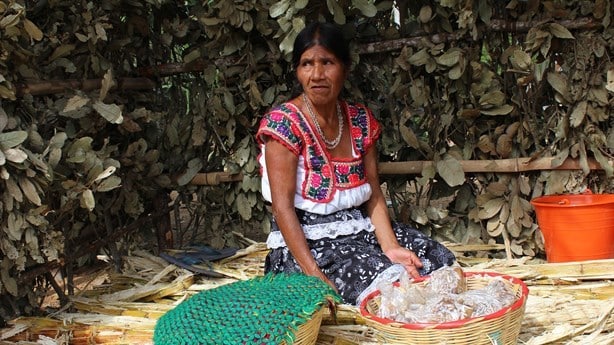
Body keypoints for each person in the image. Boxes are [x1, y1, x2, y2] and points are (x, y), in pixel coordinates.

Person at [255, 21, 456, 305]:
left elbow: (373, 194)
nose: (317, 74)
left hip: (360, 230)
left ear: (345, 68)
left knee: (432, 260)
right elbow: (282, 208)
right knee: (392, 286)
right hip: (308, 245)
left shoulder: (361, 122)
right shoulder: (283, 125)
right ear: (298, 72)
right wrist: (313, 274)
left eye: (327, 62)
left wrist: (390, 246)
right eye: (307, 64)